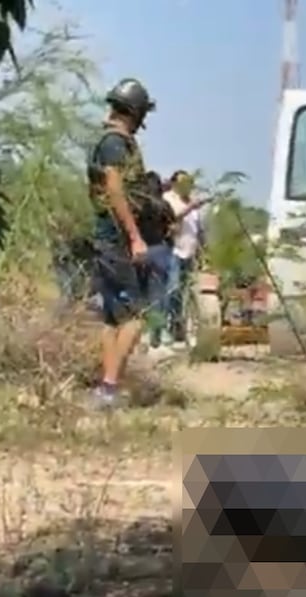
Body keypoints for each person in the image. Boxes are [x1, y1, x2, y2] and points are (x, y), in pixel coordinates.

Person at [86, 77, 156, 408]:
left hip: (107, 239)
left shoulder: (108, 141)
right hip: (116, 240)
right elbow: (115, 190)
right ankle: (110, 387)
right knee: (136, 316)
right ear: (135, 111)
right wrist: (135, 236)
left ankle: (106, 390)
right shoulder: (115, 143)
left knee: (112, 318)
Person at [162, 170, 209, 345]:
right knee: (172, 289)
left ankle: (178, 328)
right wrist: (191, 207)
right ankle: (166, 327)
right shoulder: (168, 198)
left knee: (185, 292)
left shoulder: (192, 201)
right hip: (174, 250)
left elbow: (199, 229)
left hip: (190, 252)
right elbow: (171, 218)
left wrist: (205, 249)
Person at [138, 170, 177, 355]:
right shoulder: (164, 205)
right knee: (158, 296)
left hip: (140, 250)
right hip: (160, 249)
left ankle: (141, 335)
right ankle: (156, 337)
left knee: (141, 293)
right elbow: (174, 227)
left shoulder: (138, 204)